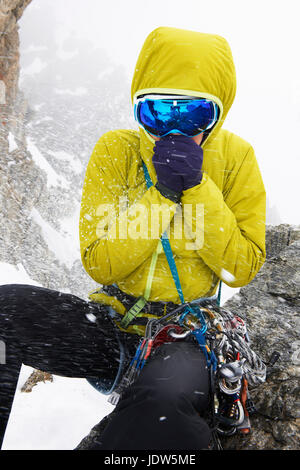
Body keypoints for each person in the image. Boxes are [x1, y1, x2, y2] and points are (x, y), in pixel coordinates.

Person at [0, 27, 266, 450]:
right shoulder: (117, 151)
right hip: (109, 328)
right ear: (138, 108)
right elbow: (101, 263)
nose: (172, 131)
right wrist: (160, 196)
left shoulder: (236, 160)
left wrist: (197, 188)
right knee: (4, 314)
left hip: (185, 337)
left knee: (160, 406)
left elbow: (241, 267)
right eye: (158, 113)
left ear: (219, 113)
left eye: (194, 115)